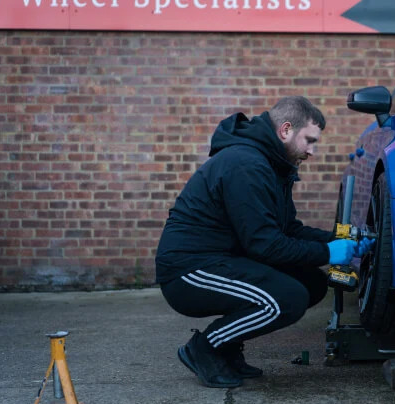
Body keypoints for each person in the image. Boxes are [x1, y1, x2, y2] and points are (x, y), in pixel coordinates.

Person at [155, 96, 373, 388]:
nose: (312, 151)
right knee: (284, 300)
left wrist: (341, 240)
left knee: (311, 283)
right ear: (285, 130)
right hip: (189, 270)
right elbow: (265, 245)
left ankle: (228, 349)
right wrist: (328, 251)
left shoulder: (272, 166)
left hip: (225, 259)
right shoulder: (246, 165)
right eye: (309, 140)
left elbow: (287, 230)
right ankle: (205, 348)